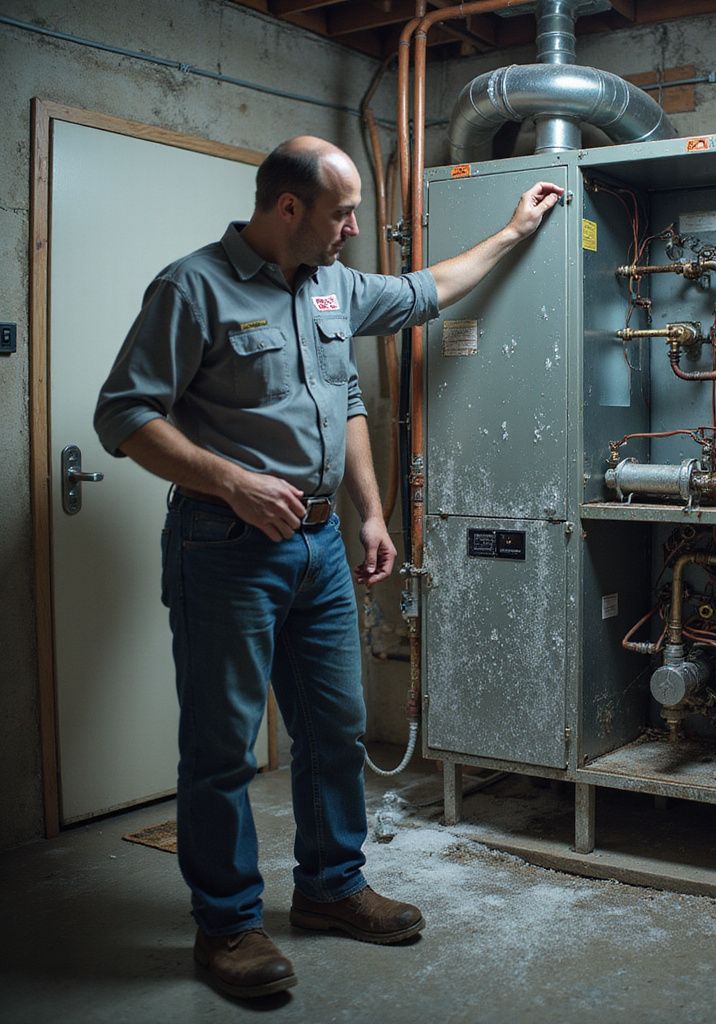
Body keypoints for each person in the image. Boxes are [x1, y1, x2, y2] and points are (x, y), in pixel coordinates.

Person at [94, 135, 563, 999]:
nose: (354, 228)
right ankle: (229, 925)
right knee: (221, 748)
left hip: (317, 546)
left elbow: (408, 318)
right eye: (342, 212)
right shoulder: (192, 287)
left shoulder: (333, 288)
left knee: (335, 728)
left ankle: (330, 888)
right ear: (288, 210)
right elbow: (122, 415)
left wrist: (372, 512)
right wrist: (232, 482)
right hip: (225, 550)